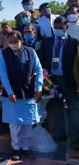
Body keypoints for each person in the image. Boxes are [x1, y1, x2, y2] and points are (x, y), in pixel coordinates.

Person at [0, 30, 43, 161]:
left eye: (15, 42)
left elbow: (39, 70)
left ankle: (25, 148)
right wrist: (10, 91)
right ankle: (16, 148)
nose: (13, 44)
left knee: (28, 123)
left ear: (21, 40)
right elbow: (3, 74)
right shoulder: (3, 53)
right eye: (10, 42)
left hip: (28, 92)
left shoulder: (31, 52)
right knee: (14, 124)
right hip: (12, 94)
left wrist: (39, 89)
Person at [39, 16, 79, 157]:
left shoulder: (74, 42)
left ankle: (74, 141)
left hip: (70, 81)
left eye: (60, 28)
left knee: (74, 109)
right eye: (55, 28)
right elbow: (43, 60)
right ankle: (60, 136)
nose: (57, 30)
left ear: (66, 27)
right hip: (52, 81)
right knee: (56, 108)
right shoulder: (47, 42)